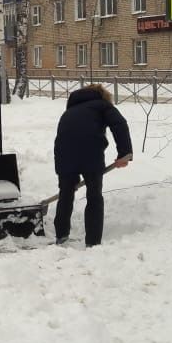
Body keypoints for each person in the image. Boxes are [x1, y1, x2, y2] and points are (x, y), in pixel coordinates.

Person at [53, 84, 133, 247]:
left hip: (64, 155)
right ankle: (93, 242)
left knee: (66, 193)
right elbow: (119, 124)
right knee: (94, 195)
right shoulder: (102, 105)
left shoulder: (69, 112)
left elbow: (63, 138)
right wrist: (124, 153)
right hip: (91, 154)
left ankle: (61, 236)